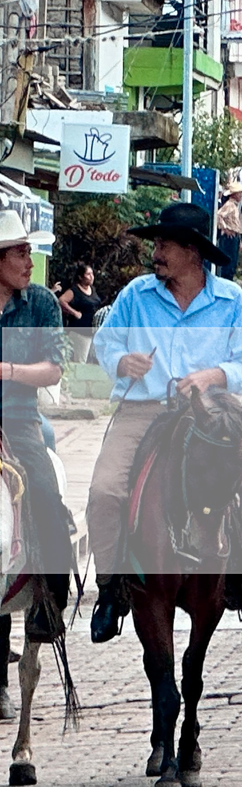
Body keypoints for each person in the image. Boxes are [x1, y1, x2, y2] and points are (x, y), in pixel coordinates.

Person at [90, 203, 242, 642]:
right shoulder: (136, 294)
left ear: (192, 252)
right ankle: (110, 588)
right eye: (156, 244)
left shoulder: (231, 301)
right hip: (144, 410)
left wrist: (215, 376)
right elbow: (104, 343)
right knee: (104, 491)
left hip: (208, 415)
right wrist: (122, 362)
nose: (156, 252)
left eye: (164, 245)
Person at [0, 213, 72, 640]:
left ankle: (51, 599)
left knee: (45, 493)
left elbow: (53, 370)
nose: (30, 262)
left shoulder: (42, 303)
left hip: (18, 419)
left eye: (29, 252)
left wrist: (7, 370)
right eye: (21, 253)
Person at [215, 181, 242, 281]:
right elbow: (218, 215)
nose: (241, 195)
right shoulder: (229, 205)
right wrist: (225, 228)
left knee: (233, 263)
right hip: (229, 237)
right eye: (239, 193)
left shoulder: (234, 206)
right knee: (229, 264)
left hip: (234, 236)